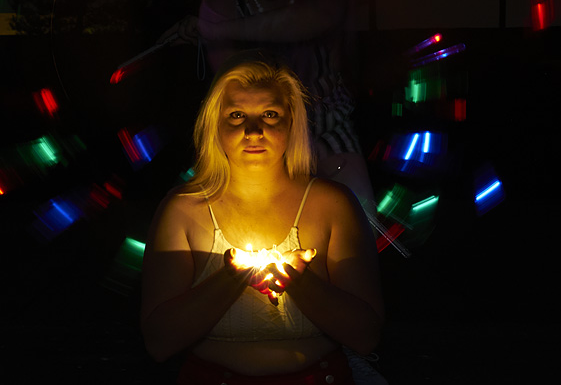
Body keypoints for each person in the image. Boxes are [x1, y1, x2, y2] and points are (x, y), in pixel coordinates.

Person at [141, 54, 384, 384]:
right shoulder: (182, 210)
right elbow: (158, 342)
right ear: (215, 125)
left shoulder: (333, 205)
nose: (253, 131)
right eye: (236, 115)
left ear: (292, 122)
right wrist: (231, 278)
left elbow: (366, 335)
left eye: (270, 114)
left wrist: (298, 281)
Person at [162, 0, 377, 211]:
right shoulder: (223, 2)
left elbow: (321, 16)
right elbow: (235, 91)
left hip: (330, 131)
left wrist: (214, 31)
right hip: (258, 137)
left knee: (359, 218)